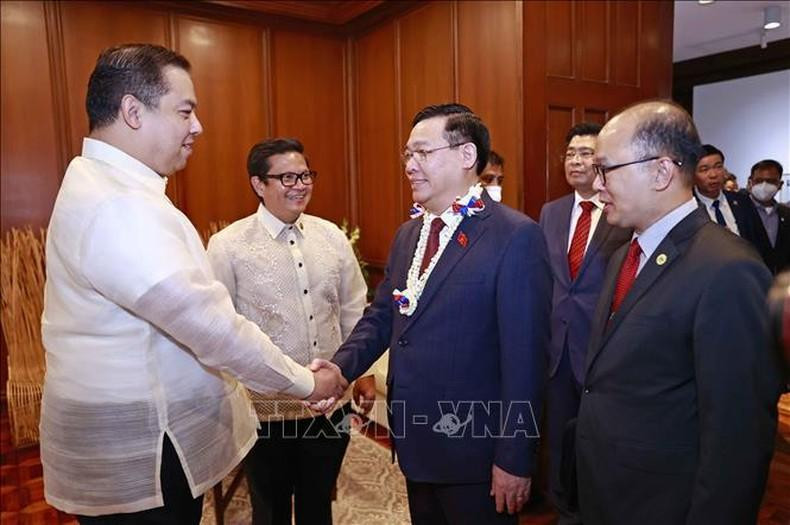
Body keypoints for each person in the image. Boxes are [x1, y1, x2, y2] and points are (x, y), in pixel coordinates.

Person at [40, 44, 345, 524]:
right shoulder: (117, 206)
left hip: (144, 443)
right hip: (144, 451)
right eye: (185, 111)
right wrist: (306, 382)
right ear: (133, 111)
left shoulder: (104, 185)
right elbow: (207, 324)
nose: (197, 126)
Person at [322, 103, 552, 525]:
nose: (410, 165)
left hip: (476, 454)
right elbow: (383, 317)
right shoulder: (409, 234)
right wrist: (340, 370)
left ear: (467, 156)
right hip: (416, 441)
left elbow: (526, 361)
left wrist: (515, 458)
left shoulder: (515, 236)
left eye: (422, 153)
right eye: (407, 154)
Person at [576, 100, 783, 524]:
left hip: (665, 505)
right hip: (608, 492)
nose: (596, 186)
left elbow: (736, 437)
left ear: (661, 171)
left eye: (605, 169)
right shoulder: (623, 254)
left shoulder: (728, 269)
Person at [206, 137, 370, 525]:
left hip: (330, 404)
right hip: (265, 409)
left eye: (305, 175)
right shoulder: (227, 247)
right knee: (271, 509)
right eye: (287, 177)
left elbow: (353, 308)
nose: (300, 185)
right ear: (258, 184)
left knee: (318, 506)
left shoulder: (332, 237)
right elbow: (220, 327)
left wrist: (360, 373)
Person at [538, 122, 631, 524]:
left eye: (587, 153)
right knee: (558, 441)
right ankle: (563, 509)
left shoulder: (623, 213)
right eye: (571, 153)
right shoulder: (551, 212)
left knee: (601, 443)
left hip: (602, 351)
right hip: (556, 350)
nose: (577, 161)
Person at [693, 144, 769, 261]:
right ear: (692, 175)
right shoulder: (687, 207)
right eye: (704, 169)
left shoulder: (743, 202)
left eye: (718, 167)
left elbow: (761, 244)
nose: (713, 175)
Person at [747, 159, 790, 274]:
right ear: (751, 182)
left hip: (780, 281)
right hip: (750, 279)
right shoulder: (741, 211)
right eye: (759, 181)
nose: (764, 185)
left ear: (779, 184)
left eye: (770, 181)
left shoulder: (786, 213)